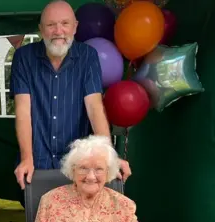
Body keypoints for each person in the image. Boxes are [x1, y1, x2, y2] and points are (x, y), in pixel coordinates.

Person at [10, 0, 131, 189]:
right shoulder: (23, 57)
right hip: (35, 163)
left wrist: (110, 158)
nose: (58, 31)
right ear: (41, 29)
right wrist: (26, 158)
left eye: (65, 23)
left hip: (80, 164)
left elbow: (95, 108)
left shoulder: (88, 56)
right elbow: (23, 111)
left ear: (75, 27)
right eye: (51, 25)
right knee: (38, 216)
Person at [28, 135, 159, 222]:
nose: (90, 177)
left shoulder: (123, 206)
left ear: (108, 172)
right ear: (73, 170)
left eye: (98, 169)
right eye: (83, 168)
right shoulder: (52, 200)